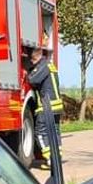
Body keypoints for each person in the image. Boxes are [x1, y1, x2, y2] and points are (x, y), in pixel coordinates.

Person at [25, 39, 63, 169]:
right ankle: (57, 158)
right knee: (55, 132)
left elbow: (32, 80)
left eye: (32, 60)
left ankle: (50, 160)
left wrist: (27, 72)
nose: (31, 63)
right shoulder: (50, 64)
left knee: (40, 133)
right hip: (57, 105)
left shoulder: (43, 66)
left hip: (48, 106)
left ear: (35, 57)